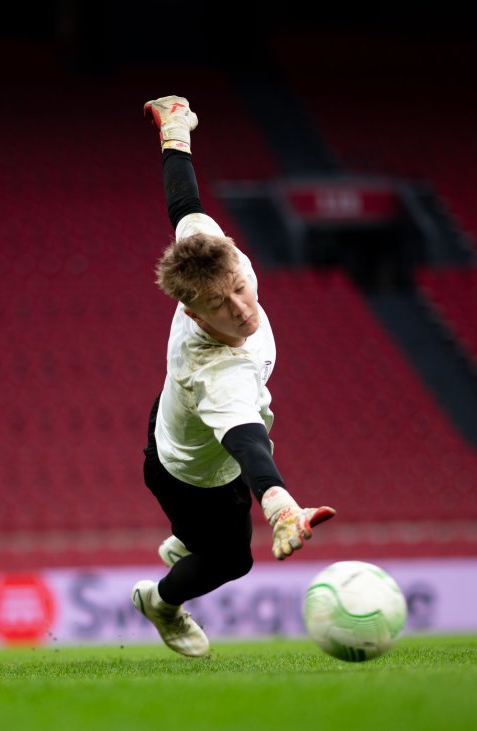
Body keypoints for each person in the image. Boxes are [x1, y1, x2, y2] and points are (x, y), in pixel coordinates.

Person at [132, 95, 336, 657]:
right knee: (231, 558)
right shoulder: (213, 373)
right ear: (194, 313)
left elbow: (184, 206)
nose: (243, 309)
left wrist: (175, 132)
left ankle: (186, 541)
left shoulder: (217, 259)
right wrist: (280, 507)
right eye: (223, 306)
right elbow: (249, 446)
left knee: (212, 533)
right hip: (193, 473)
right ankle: (160, 603)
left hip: (174, 421)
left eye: (242, 290)